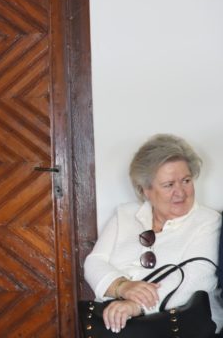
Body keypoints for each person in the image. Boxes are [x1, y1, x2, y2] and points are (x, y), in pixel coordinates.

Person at [84, 134, 222, 333]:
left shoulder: (208, 221)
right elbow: (94, 262)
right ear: (145, 190)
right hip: (116, 324)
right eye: (169, 185)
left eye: (186, 180)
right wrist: (123, 287)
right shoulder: (125, 214)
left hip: (177, 327)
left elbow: (196, 279)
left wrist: (136, 306)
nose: (181, 192)